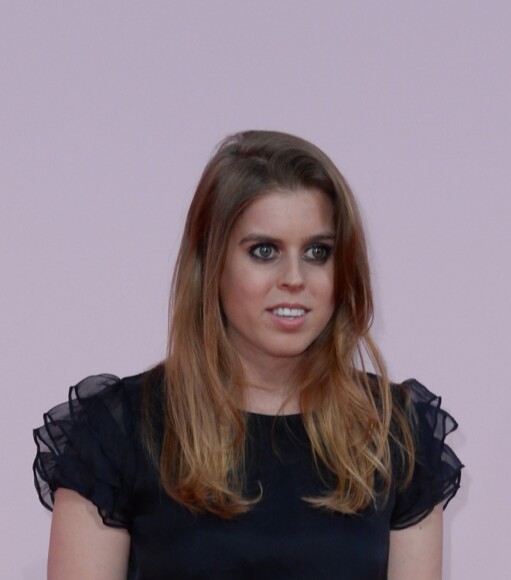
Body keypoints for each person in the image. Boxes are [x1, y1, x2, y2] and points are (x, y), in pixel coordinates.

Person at [33, 130, 463, 579]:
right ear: (211, 262)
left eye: (318, 252)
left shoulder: (395, 433)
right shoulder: (115, 433)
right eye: (264, 251)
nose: (294, 278)